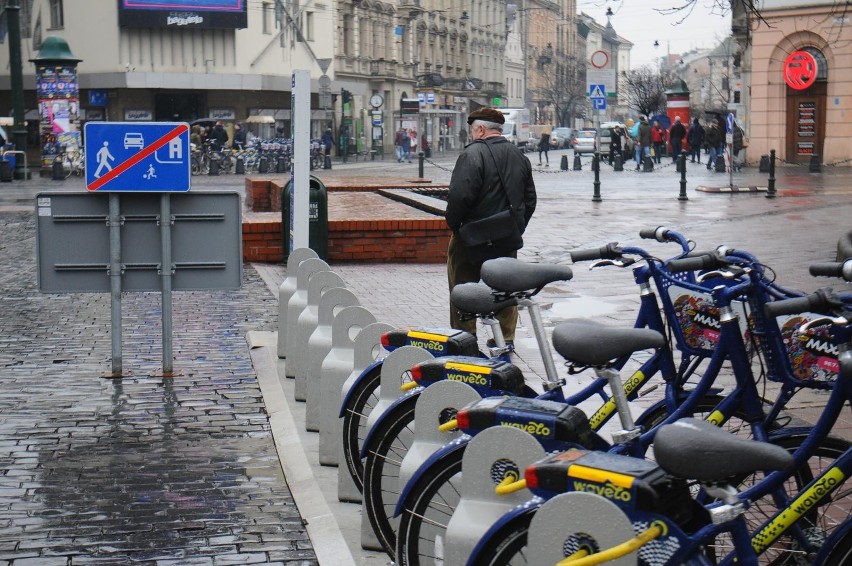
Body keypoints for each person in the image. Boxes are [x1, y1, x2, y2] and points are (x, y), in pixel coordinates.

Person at [445, 107, 536, 346]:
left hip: (471, 237)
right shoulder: (519, 155)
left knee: (462, 287)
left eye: (473, 130)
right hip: (507, 236)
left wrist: (455, 227)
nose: (473, 135)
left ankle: (465, 337)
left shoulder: (472, 154)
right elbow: (530, 200)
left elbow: (459, 197)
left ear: (481, 129)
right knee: (506, 287)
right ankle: (505, 338)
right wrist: (516, 227)